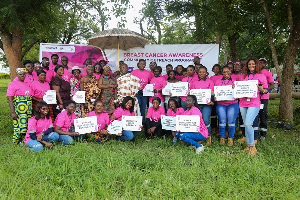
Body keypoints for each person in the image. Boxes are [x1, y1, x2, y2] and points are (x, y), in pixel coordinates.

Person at [238, 57, 268, 156]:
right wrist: (236, 88)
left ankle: (253, 146)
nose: (251, 66)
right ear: (247, 66)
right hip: (243, 102)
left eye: (253, 64)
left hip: (254, 103)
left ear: (257, 65)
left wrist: (261, 89)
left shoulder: (261, 76)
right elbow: (239, 88)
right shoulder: (243, 76)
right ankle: (248, 146)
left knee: (248, 123)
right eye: (249, 64)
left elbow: (266, 90)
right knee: (246, 124)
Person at [189, 66, 214, 145]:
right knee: (198, 120)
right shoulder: (194, 82)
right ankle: (201, 136)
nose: (202, 73)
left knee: (206, 119)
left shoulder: (210, 81)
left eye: (203, 72)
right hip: (197, 105)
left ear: (206, 73)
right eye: (200, 72)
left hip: (207, 104)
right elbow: (191, 93)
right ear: (197, 73)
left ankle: (208, 136)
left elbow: (212, 94)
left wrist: (211, 101)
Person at [7, 68, 33, 144]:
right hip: (20, 109)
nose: (22, 76)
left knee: (26, 125)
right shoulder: (13, 84)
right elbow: (10, 99)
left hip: (28, 109)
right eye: (20, 74)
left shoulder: (27, 84)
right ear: (17, 75)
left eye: (24, 74)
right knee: (19, 126)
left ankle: (24, 140)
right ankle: (16, 141)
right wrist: (13, 112)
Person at [214, 66, 239, 146]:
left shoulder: (235, 82)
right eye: (224, 72)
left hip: (232, 104)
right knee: (222, 121)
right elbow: (215, 93)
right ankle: (222, 137)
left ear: (230, 71)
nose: (226, 73)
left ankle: (230, 138)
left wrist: (236, 93)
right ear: (222, 73)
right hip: (221, 104)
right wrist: (215, 96)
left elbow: (238, 93)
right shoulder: (218, 82)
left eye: (227, 71)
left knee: (231, 121)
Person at [258, 58, 275, 141]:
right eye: (260, 62)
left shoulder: (267, 73)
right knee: (254, 115)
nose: (261, 64)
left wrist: (266, 90)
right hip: (254, 98)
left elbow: (272, 85)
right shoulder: (254, 72)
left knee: (263, 114)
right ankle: (255, 133)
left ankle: (263, 134)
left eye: (263, 63)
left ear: (265, 64)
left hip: (264, 97)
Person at [131, 59, 152, 123]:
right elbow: (131, 82)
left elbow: (150, 83)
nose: (142, 65)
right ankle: (137, 122)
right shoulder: (133, 72)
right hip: (136, 92)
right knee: (137, 107)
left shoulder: (148, 73)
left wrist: (146, 90)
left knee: (143, 108)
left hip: (144, 93)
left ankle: (142, 123)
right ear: (138, 64)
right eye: (141, 63)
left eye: (143, 64)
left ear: (145, 65)